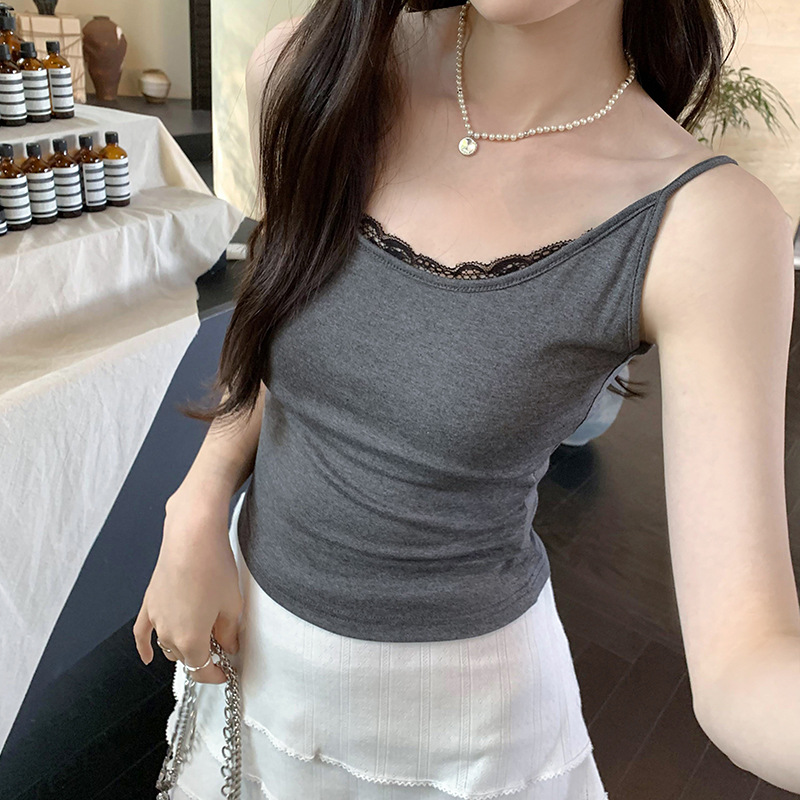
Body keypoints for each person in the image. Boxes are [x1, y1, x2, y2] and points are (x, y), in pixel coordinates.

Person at [134, 1, 800, 798]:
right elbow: (278, 324)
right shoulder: (308, 71)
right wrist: (199, 502)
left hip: (458, 731)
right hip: (253, 643)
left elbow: (747, 661)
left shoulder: (705, 225)